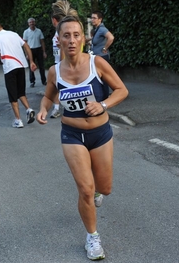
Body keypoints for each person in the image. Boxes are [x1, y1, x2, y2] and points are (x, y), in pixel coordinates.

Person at [36, 15, 128, 260]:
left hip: (100, 133)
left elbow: (122, 90)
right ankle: (93, 237)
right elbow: (48, 96)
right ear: (59, 40)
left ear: (83, 38)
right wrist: (44, 108)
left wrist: (103, 105)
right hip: (72, 134)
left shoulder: (97, 63)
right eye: (66, 35)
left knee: (103, 188)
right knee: (85, 190)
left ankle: (98, 193)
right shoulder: (54, 71)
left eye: (76, 35)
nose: (72, 40)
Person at [0, 21, 37, 128]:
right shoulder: (14, 34)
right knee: (21, 92)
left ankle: (18, 120)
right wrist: (31, 61)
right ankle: (28, 109)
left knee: (12, 95)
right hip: (21, 66)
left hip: (9, 67)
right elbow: (26, 46)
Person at [47, 0, 78, 119]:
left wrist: (61, 67)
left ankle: (62, 109)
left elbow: (64, 52)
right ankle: (57, 108)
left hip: (64, 65)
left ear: (54, 20)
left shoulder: (62, 33)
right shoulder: (63, 31)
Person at [23, 18, 47, 87]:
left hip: (38, 49)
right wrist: (26, 54)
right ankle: (32, 81)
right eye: (30, 22)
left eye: (33, 22)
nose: (32, 23)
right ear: (28, 24)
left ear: (35, 23)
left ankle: (44, 80)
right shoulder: (26, 32)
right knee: (32, 66)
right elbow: (25, 44)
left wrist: (44, 52)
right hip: (30, 50)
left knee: (41, 66)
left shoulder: (39, 31)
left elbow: (42, 41)